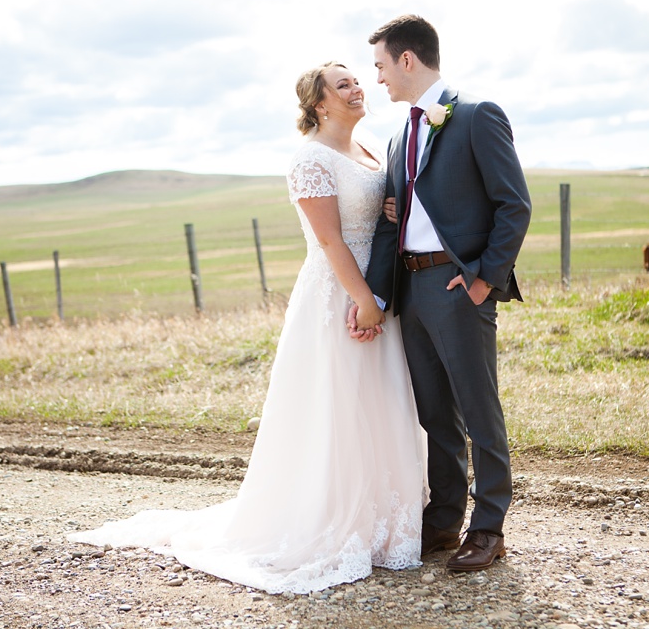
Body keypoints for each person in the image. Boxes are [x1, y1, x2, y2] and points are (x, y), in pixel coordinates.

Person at [68, 61, 426, 594]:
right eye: (343, 84)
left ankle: (385, 523)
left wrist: (389, 214)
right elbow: (330, 241)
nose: (357, 89)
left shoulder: (371, 147)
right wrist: (363, 301)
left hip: (376, 291)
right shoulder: (309, 158)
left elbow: (375, 212)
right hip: (338, 295)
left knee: (380, 399)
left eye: (356, 80)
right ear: (319, 103)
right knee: (337, 405)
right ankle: (328, 521)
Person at [357, 15, 532, 572]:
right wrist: (382, 297)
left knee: (479, 411)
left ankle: (488, 529)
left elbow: (514, 205)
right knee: (435, 414)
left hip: (459, 287)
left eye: (381, 65)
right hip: (412, 288)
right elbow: (395, 220)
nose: (377, 78)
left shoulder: (477, 115)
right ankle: (444, 521)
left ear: (408, 60)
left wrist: (484, 279)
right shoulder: (397, 134)